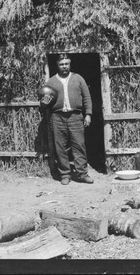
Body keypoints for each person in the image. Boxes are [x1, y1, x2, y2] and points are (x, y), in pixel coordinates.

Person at [42, 54, 93, 185]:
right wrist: (43, 102)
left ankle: (82, 174)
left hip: (76, 117)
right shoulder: (51, 82)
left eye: (66, 64)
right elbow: (45, 101)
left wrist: (88, 114)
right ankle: (65, 174)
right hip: (57, 117)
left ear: (70, 64)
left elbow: (87, 97)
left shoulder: (78, 78)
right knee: (60, 147)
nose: (64, 66)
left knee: (79, 145)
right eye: (61, 64)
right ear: (57, 65)